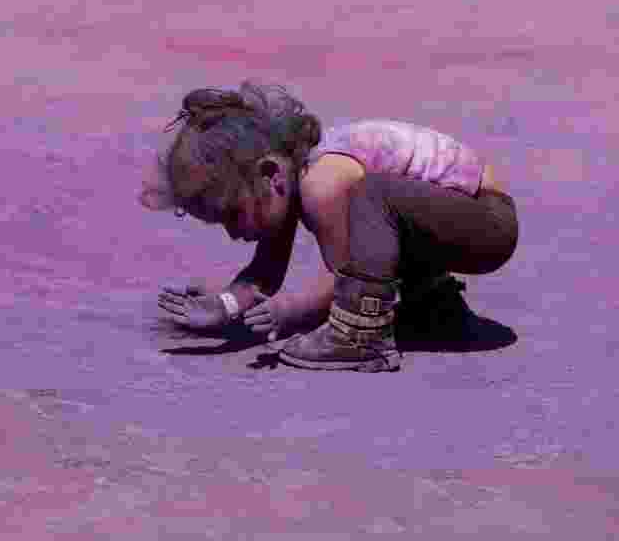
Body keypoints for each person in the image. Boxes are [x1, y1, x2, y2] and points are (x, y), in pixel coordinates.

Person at [139, 81, 518, 372]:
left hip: (487, 222)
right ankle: (435, 310)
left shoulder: (321, 183)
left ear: (270, 175)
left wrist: (289, 313)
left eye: (232, 215)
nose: (232, 233)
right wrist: (225, 306)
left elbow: (344, 275)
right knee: (378, 221)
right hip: (454, 220)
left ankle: (359, 335)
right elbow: (265, 273)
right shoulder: (287, 183)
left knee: (375, 198)